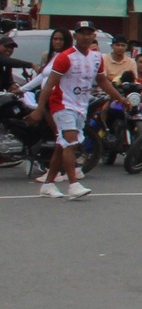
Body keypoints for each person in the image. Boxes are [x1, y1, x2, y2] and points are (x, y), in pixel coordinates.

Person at [31, 21, 125, 200]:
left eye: (89, 33)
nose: (86, 37)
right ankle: (73, 185)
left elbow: (102, 81)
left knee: (62, 145)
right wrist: (39, 109)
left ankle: (48, 184)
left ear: (94, 36)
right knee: (71, 142)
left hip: (81, 105)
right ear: (75, 36)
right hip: (62, 104)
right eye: (82, 33)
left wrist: (120, 98)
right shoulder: (65, 57)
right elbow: (49, 84)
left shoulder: (96, 58)